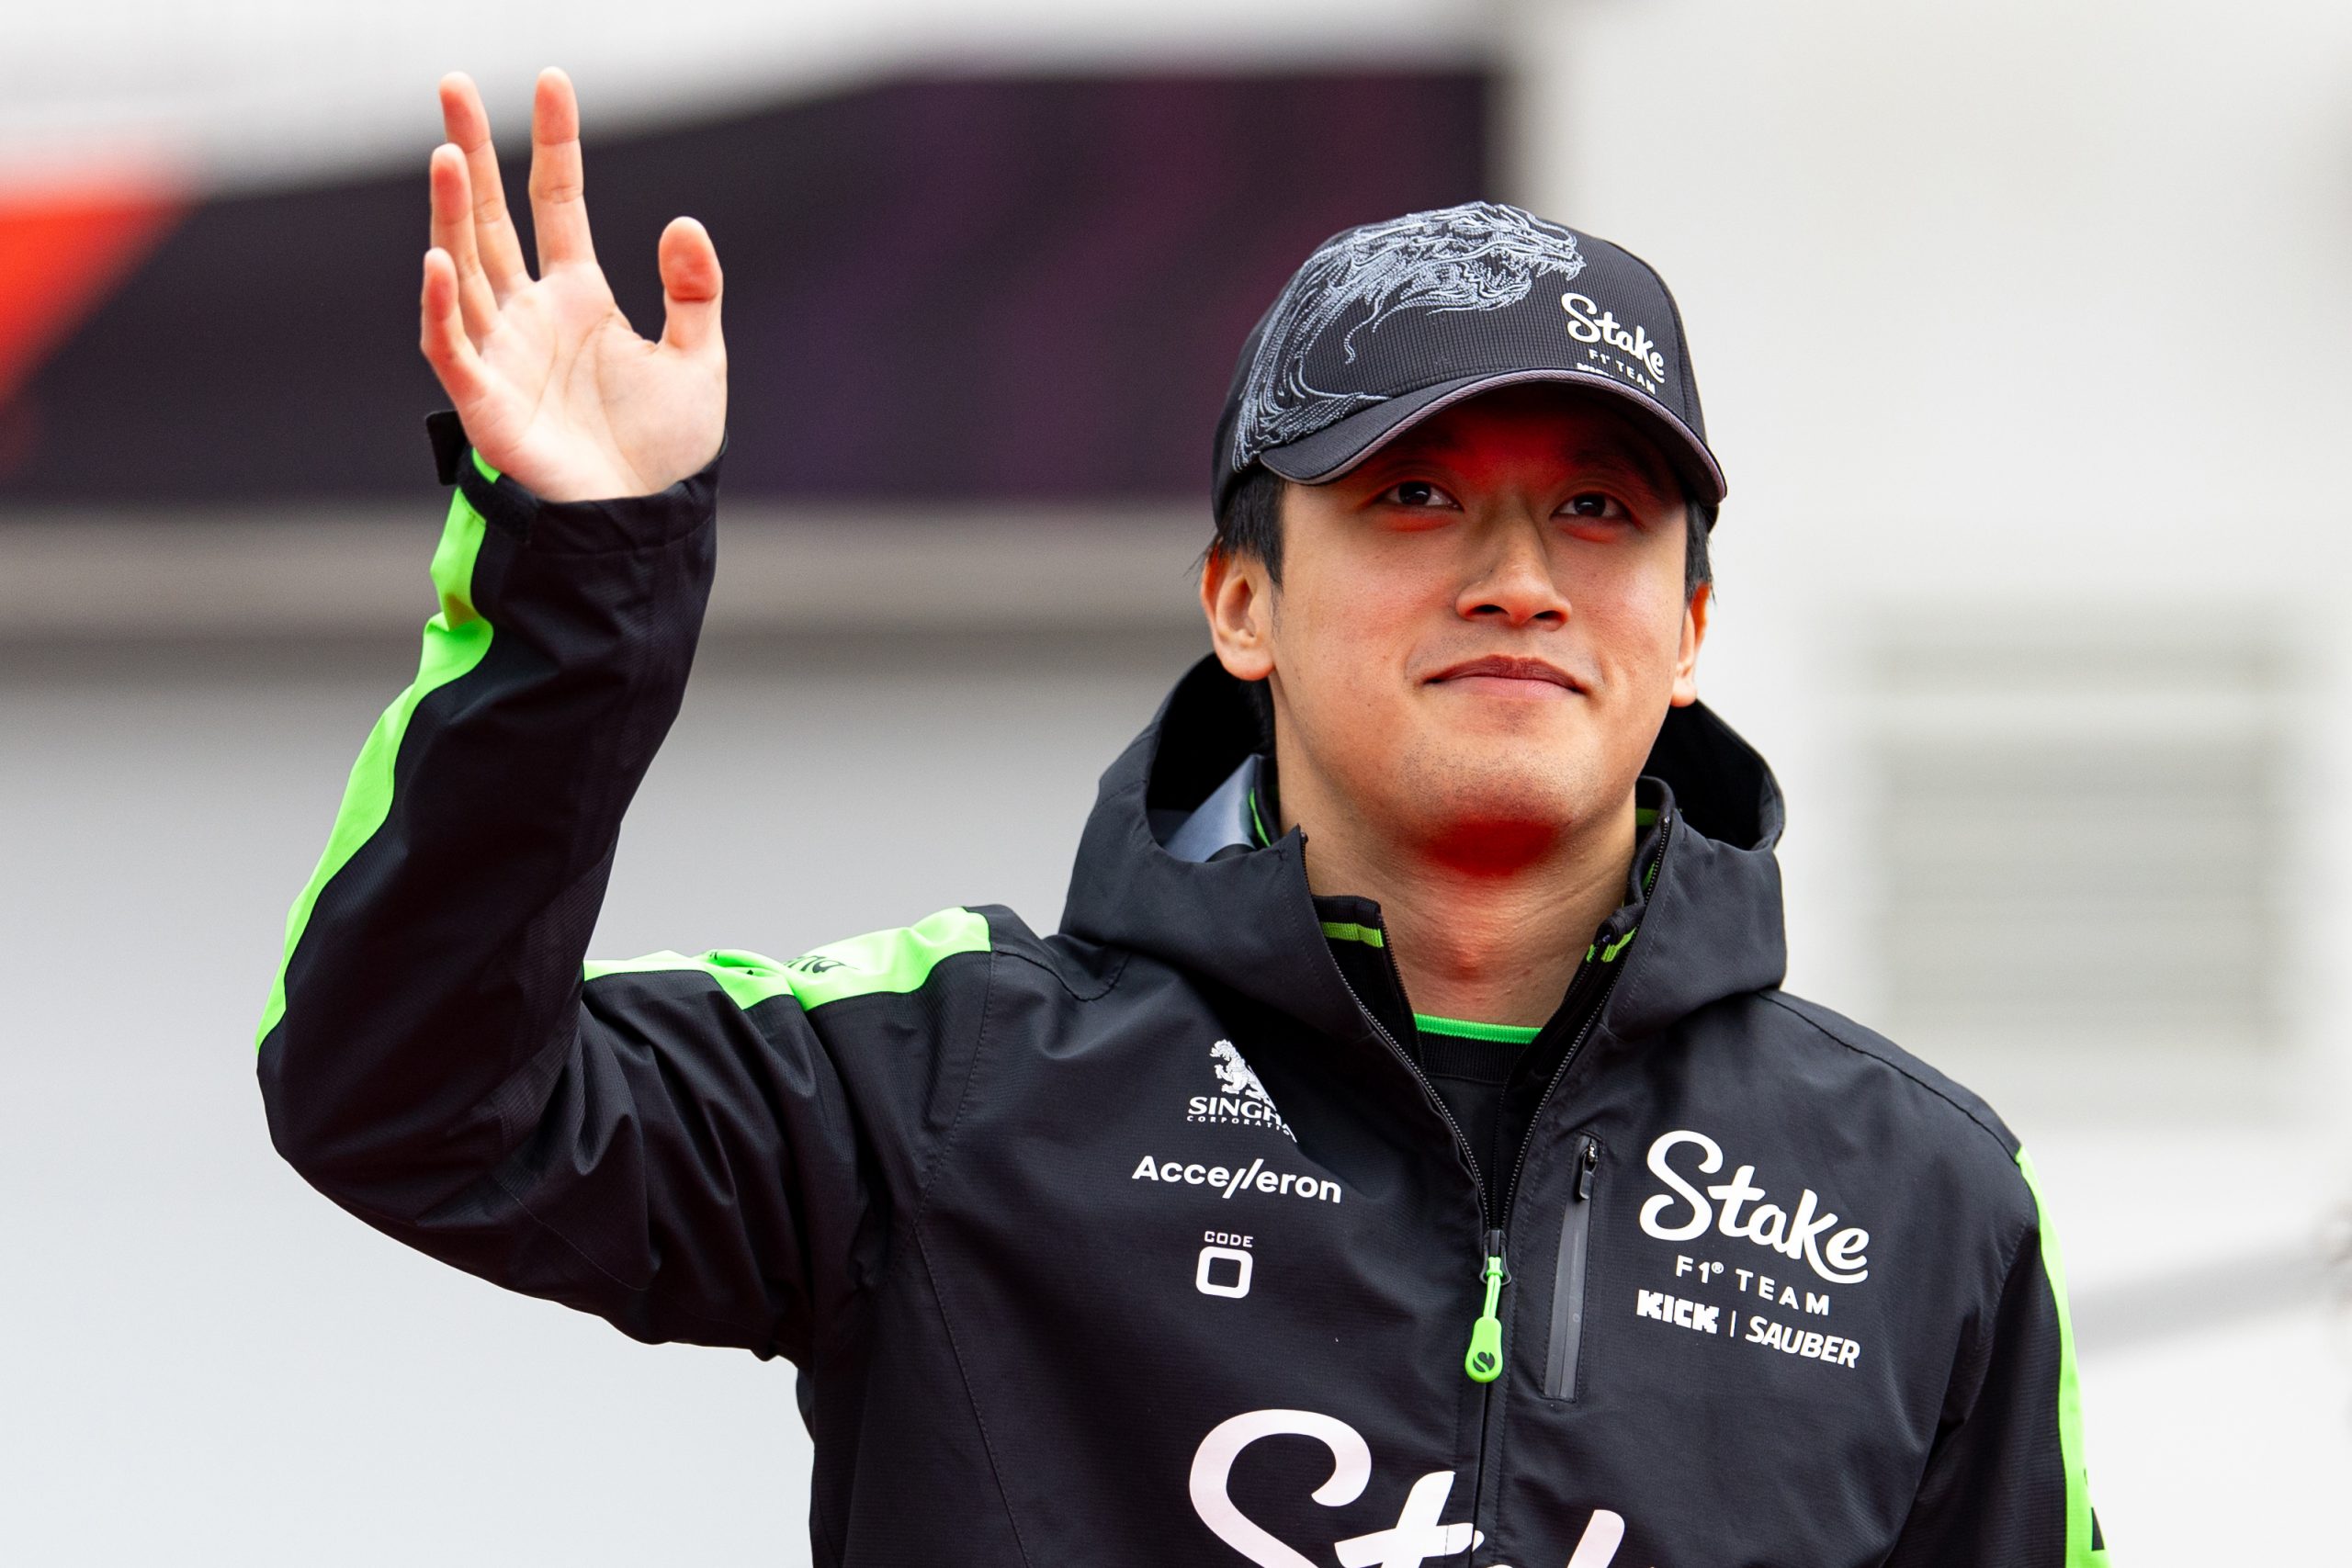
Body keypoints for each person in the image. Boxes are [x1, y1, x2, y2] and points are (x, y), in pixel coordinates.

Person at [257, 66, 2110, 1568]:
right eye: (1408, 497)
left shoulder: (1919, 1197)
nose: (1514, 578)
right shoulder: (946, 1075)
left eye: (1598, 512)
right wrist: (587, 574)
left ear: (1687, 626)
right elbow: (410, 1097)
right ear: (1240, 601)